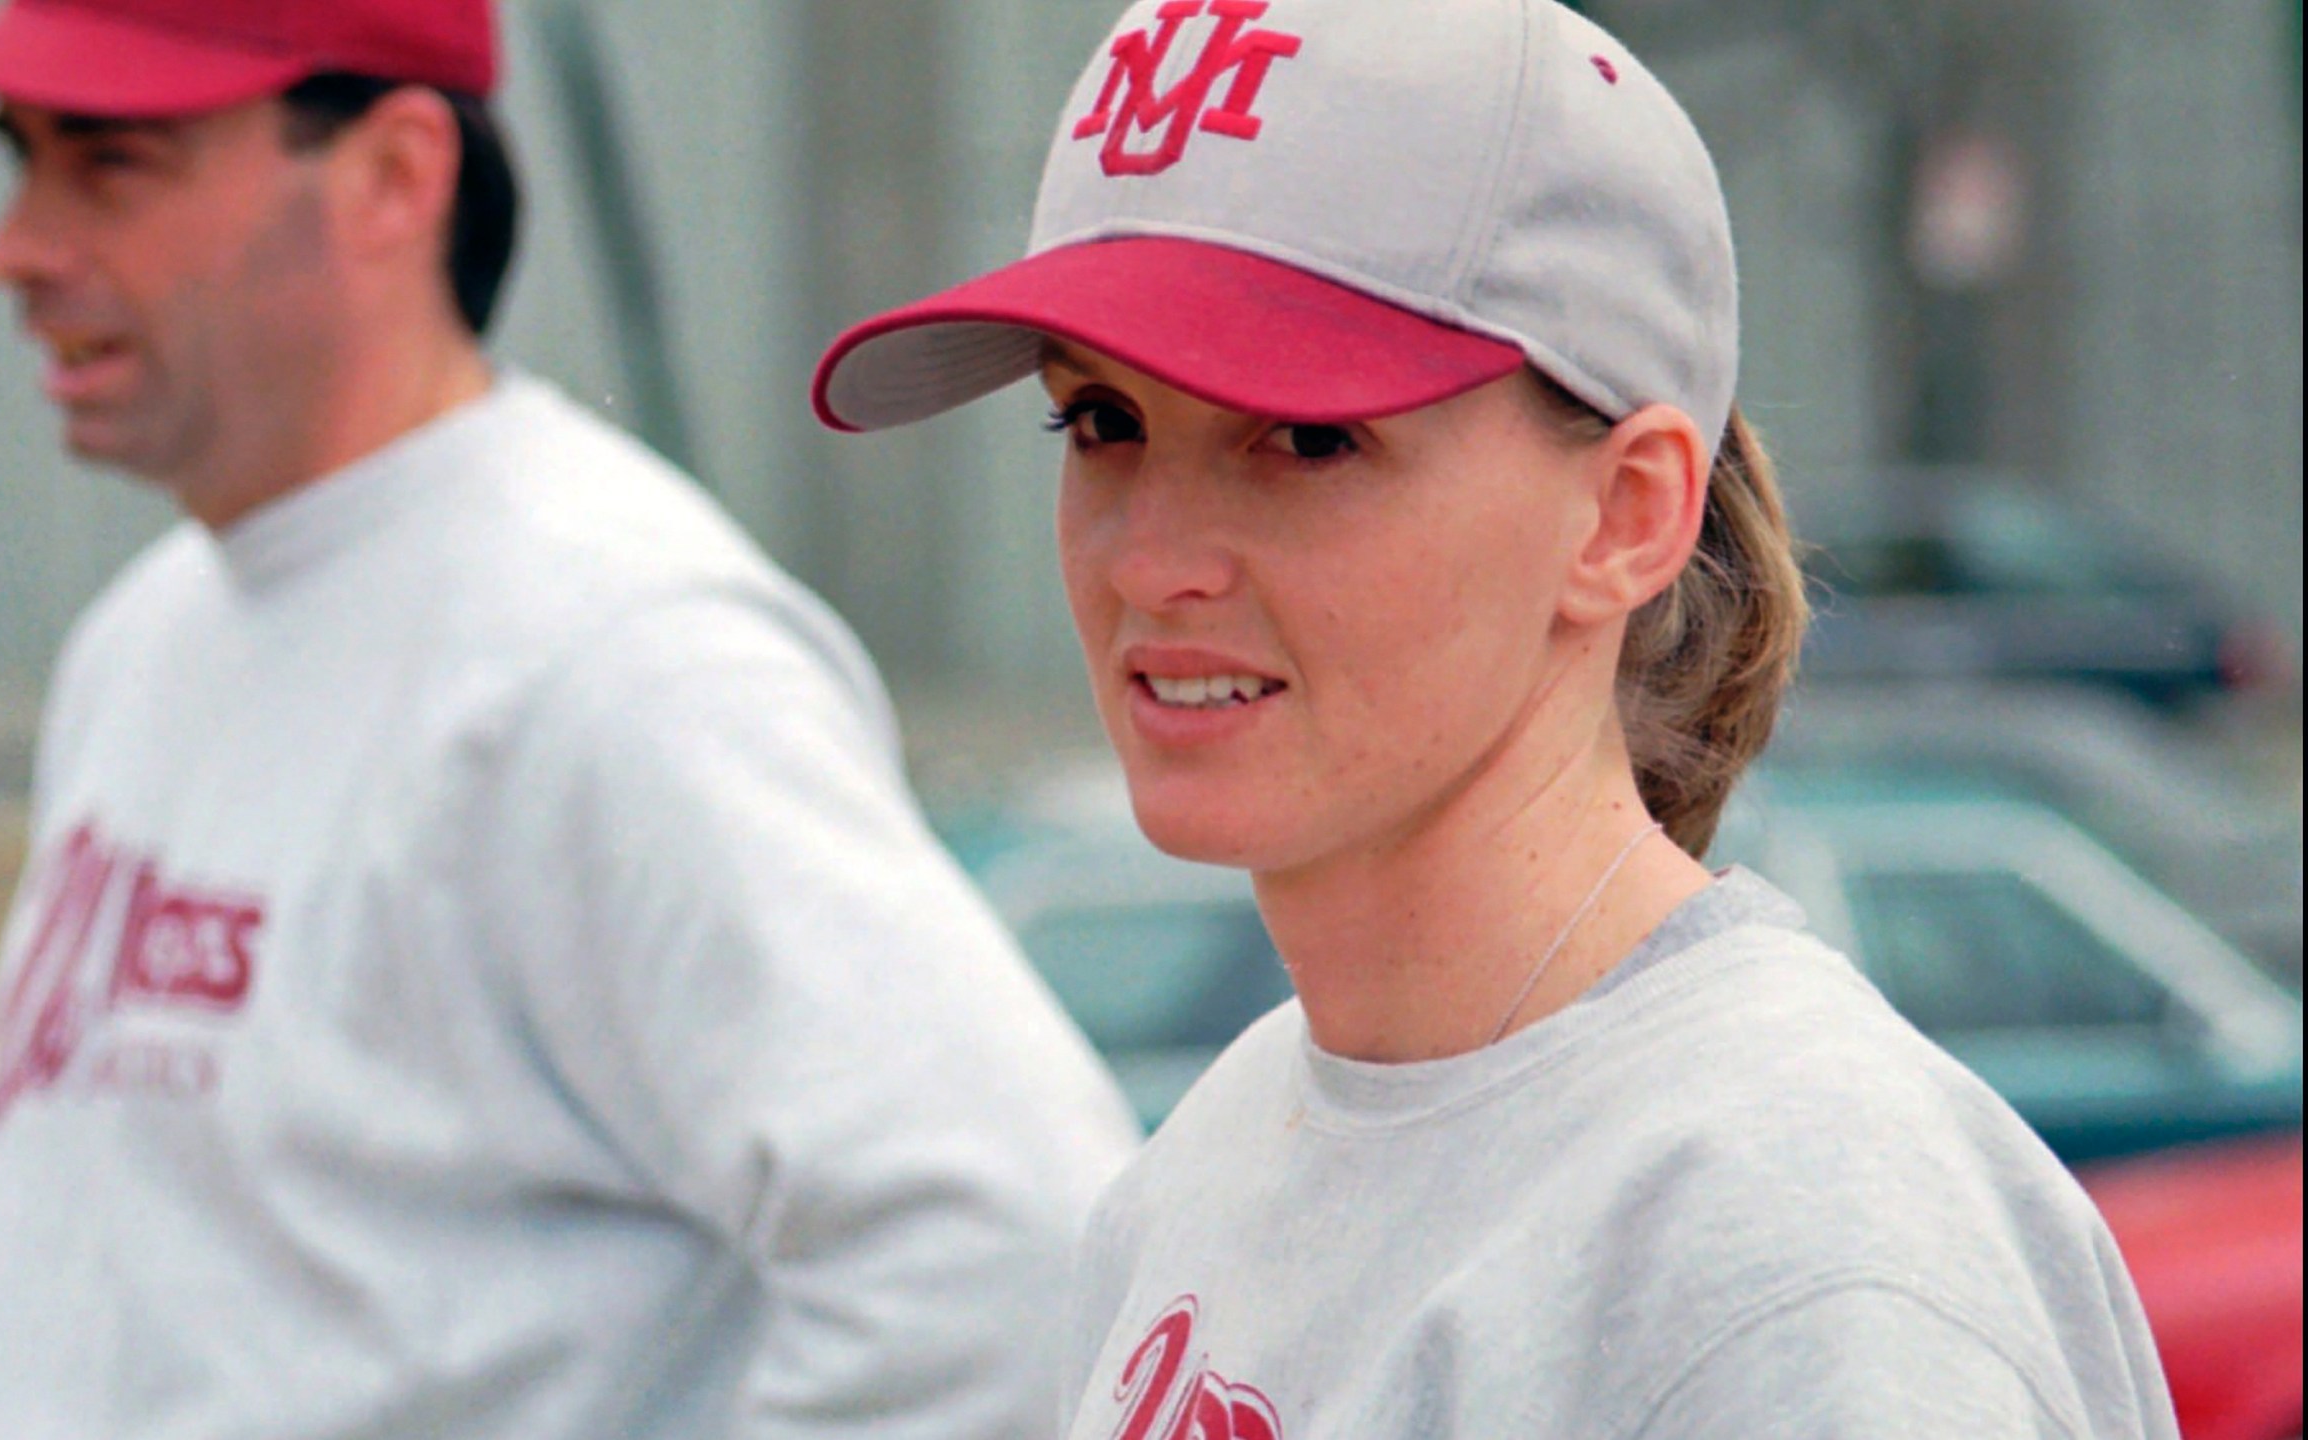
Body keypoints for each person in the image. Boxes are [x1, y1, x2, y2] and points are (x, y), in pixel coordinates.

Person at [811, 0, 2182, 1435]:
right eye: (1100, 421)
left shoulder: (1800, 1259)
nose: (1153, 559)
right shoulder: (1224, 1149)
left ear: (1626, 513)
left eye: (1307, 437)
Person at [0, 2, 1141, 1436]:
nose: (13, 250)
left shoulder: (612, 654)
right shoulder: (148, 636)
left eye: (109, 167)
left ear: (395, 177)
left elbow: (1006, 1248)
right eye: (18, 162)